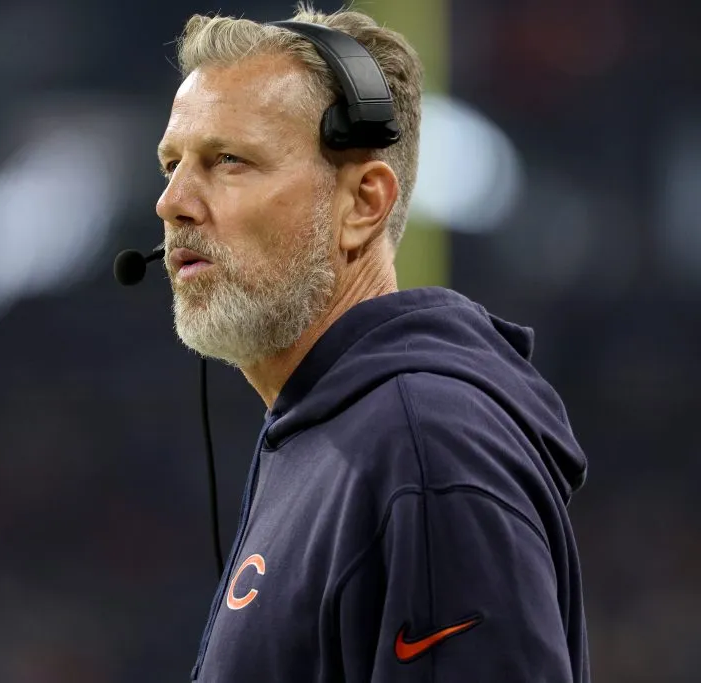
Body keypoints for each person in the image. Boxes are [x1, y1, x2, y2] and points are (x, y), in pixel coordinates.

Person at [154, 4, 590, 682]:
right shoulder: (339, 434)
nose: (173, 201)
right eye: (172, 165)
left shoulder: (423, 447)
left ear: (362, 203)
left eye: (229, 160)